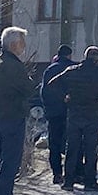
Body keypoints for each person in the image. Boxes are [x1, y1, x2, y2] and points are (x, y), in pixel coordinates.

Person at [52, 46, 98, 192]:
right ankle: (90, 182)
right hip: (93, 114)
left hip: (74, 113)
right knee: (90, 150)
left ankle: (68, 181)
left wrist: (64, 97)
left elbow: (53, 84)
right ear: (97, 58)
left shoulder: (73, 70)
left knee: (72, 149)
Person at [0, 26, 32, 195]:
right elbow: (27, 88)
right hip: (12, 116)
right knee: (11, 161)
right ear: (15, 44)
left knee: (7, 159)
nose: (24, 46)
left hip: (1, 116)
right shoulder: (13, 65)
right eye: (22, 42)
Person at [40, 45, 75, 184]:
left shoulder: (50, 70)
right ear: (69, 55)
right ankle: (72, 173)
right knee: (71, 143)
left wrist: (48, 109)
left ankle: (57, 173)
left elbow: (44, 92)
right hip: (71, 112)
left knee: (54, 144)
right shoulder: (73, 68)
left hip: (54, 113)